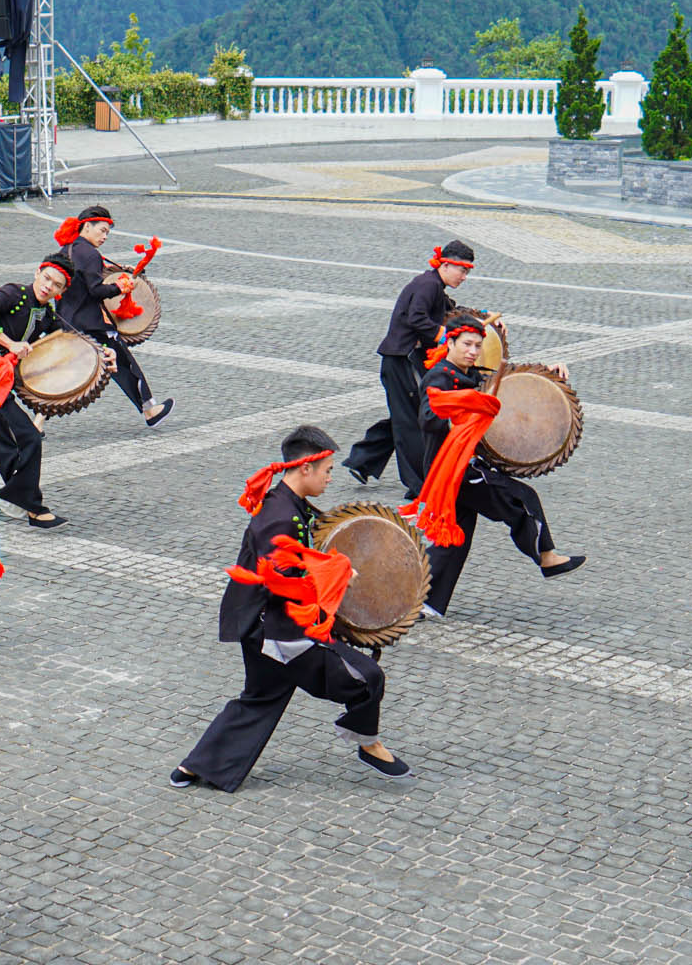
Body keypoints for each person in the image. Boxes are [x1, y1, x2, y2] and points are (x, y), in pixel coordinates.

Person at [170, 425, 409, 791]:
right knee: (367, 677)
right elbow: (278, 577)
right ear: (305, 469)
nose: (331, 477)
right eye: (328, 470)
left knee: (260, 698)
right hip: (279, 632)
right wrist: (334, 574)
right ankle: (368, 744)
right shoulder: (280, 516)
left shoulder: (289, 503)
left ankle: (194, 767)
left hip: (262, 628)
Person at [414, 315, 585, 618]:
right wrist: (465, 408)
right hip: (455, 469)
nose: (473, 351)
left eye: (478, 345)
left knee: (453, 540)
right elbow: (429, 417)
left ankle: (420, 599)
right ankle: (546, 556)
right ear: (449, 342)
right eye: (466, 344)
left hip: (457, 468)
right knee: (521, 498)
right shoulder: (440, 377)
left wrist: (550, 373)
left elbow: (503, 380)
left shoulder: (465, 372)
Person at [0, 259, 95, 528]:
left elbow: (65, 338)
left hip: (2, 381)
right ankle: (31, 506)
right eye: (46, 278)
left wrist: (102, 353)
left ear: (61, 291)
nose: (48, 287)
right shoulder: (13, 294)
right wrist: (10, 344)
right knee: (28, 438)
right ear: (37, 273)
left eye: (56, 285)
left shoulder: (46, 312)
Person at [346, 240, 481, 495]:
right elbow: (417, 317)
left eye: (467, 272)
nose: (464, 277)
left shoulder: (434, 287)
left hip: (403, 359)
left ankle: (362, 461)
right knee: (410, 420)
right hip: (400, 360)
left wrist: (479, 318)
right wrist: (445, 336)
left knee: (407, 414)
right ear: (447, 264)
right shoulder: (427, 285)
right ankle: (418, 485)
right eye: (462, 270)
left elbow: (451, 310)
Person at [49, 205, 172, 426]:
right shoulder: (91, 255)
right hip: (91, 324)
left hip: (66, 322)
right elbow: (96, 290)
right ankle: (150, 410)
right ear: (87, 226)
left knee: (63, 373)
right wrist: (121, 287)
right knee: (125, 364)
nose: (105, 236)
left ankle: (38, 421)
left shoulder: (67, 250)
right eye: (102, 230)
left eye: (108, 232)